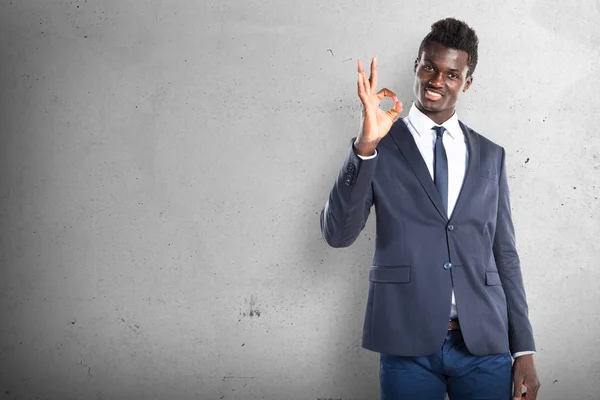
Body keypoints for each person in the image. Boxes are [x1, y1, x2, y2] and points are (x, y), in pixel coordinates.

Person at [319, 18, 540, 399]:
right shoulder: (380, 148)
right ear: (416, 66)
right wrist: (365, 145)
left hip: (484, 343)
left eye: (452, 74)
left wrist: (523, 349)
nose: (437, 80)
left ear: (466, 82)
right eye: (429, 67)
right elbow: (337, 235)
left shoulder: (490, 155)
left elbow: (505, 253)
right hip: (406, 342)